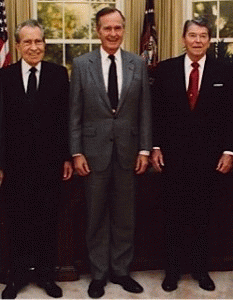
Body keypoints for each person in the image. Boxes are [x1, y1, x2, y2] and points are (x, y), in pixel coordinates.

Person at [69, 7, 152, 299]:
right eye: (107, 28)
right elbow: (74, 114)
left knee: (124, 215)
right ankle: (99, 274)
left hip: (129, 152)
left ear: (124, 30)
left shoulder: (136, 64)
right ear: (98, 30)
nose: (113, 33)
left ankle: (121, 270)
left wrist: (144, 148)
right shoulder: (81, 65)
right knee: (95, 216)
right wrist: (76, 152)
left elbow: (144, 111)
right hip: (93, 154)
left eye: (118, 28)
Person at [151, 18, 233, 292]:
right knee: (173, 215)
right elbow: (157, 113)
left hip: (209, 158)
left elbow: (230, 115)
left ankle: (200, 269)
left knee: (204, 214)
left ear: (209, 40)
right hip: (173, 157)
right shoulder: (166, 70)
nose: (197, 41)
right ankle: (172, 270)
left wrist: (229, 150)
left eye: (203, 36)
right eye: (192, 35)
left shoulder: (225, 70)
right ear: (183, 38)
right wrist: (156, 146)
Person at [0, 19, 73, 299]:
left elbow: (64, 120)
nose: (34, 47)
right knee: (17, 221)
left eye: (38, 41)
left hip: (49, 165)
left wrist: (66, 157)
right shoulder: (4, 77)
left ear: (44, 44)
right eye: (28, 42)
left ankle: (45, 275)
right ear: (17, 46)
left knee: (46, 220)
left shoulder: (57, 74)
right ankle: (16, 277)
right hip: (15, 166)